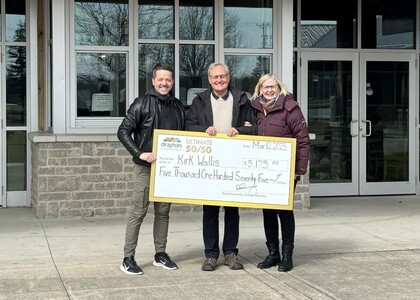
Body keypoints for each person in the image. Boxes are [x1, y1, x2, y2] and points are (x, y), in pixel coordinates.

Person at [185, 62, 255, 271]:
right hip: (210, 164)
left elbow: (255, 127)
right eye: (215, 77)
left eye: (222, 76)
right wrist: (204, 130)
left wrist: (241, 130)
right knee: (210, 211)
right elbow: (189, 126)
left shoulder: (242, 99)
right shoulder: (200, 101)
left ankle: (231, 253)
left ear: (229, 77)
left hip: (234, 161)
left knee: (232, 210)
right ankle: (211, 255)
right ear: (209, 80)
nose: (219, 80)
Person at [117, 62, 186, 275]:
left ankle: (160, 254)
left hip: (167, 169)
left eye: (168, 79)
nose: (164, 83)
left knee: (163, 212)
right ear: (153, 81)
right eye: (160, 79)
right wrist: (139, 153)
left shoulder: (177, 105)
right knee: (138, 212)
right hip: (146, 167)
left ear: (172, 82)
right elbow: (123, 131)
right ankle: (128, 258)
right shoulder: (141, 104)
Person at [250, 73, 310, 272]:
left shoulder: (290, 108)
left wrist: (298, 170)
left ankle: (287, 256)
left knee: (284, 211)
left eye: (272, 87)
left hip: (285, 171)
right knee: (267, 212)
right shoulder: (255, 109)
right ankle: (273, 253)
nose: (269, 90)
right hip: (262, 171)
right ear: (260, 89)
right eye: (265, 87)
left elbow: (302, 140)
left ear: (279, 88)